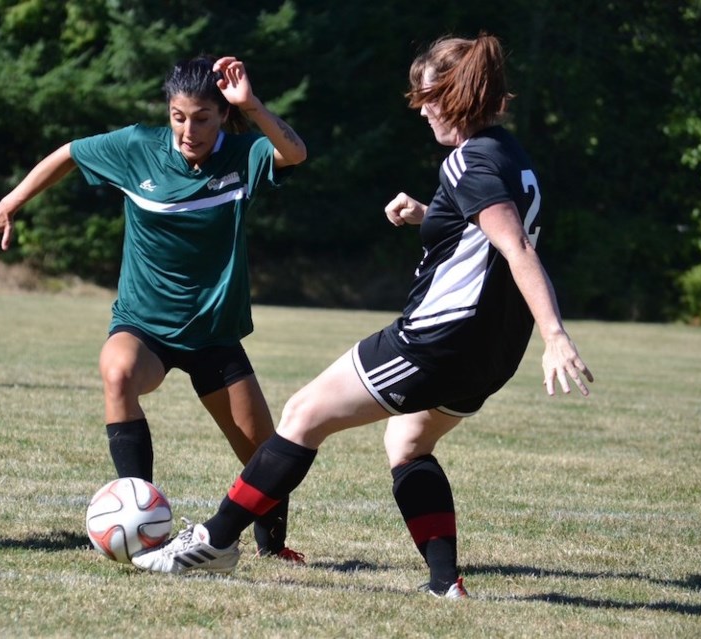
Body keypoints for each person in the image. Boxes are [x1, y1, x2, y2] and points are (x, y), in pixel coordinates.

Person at [131, 34, 595, 599]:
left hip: (436, 339)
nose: (422, 111)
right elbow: (488, 236)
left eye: (428, 98)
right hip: (491, 353)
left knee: (303, 413)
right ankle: (446, 584)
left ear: (458, 95)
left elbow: (517, 248)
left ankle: (214, 542)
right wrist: (430, 216)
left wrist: (557, 336)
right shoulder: (511, 157)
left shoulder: (469, 161)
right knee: (408, 444)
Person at [0, 55, 308, 561]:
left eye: (201, 117)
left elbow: (295, 153)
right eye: (178, 116)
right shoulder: (137, 147)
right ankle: (140, 517)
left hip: (214, 334)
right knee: (117, 371)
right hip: (144, 326)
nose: (187, 129)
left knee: (268, 460)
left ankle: (272, 544)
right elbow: (68, 153)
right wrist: (8, 204)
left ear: (221, 114)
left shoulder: (242, 156)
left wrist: (253, 105)